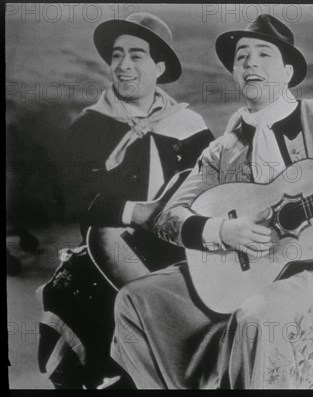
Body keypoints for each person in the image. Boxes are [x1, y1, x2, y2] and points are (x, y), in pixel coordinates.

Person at [109, 14, 313, 389]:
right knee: (135, 299)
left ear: (288, 72)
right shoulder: (222, 151)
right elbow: (167, 216)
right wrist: (222, 230)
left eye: (263, 54)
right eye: (241, 57)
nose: (250, 62)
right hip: (241, 272)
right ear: (236, 74)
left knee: (258, 319)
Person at [37, 12, 214, 389]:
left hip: (181, 250)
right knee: (74, 300)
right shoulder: (89, 126)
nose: (123, 65)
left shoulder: (192, 128)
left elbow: (213, 189)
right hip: (111, 250)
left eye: (137, 55)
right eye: (117, 55)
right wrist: (137, 213)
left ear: (159, 66)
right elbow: (71, 198)